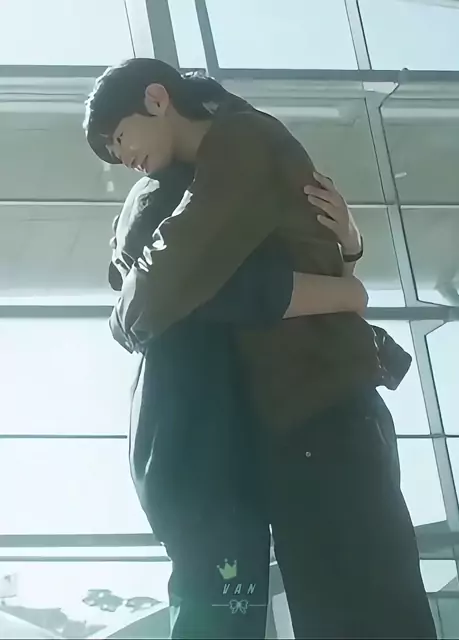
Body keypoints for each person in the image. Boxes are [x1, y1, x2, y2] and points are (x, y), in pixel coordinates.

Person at [84, 59, 436, 639]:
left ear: (156, 99)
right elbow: (292, 259)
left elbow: (175, 276)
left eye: (119, 138)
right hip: (305, 420)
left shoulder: (237, 141)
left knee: (360, 606)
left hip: (322, 415)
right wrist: (348, 263)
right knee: (345, 605)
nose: (122, 159)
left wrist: (124, 316)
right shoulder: (215, 159)